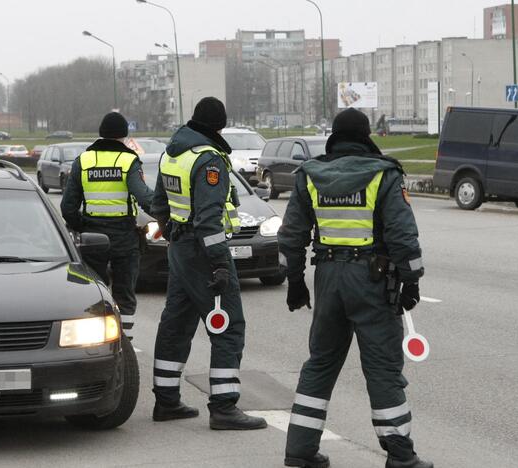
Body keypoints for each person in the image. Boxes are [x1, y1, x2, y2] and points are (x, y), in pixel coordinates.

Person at [279, 108, 431, 468]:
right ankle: (399, 454)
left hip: (328, 278)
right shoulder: (384, 175)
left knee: (320, 363)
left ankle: (299, 450)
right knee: (382, 367)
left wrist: (296, 281)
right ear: (365, 137)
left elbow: (292, 235)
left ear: (335, 137)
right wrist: (411, 279)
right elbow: (402, 234)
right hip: (373, 281)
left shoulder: (309, 175)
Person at [150, 97, 266, 431]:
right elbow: (208, 221)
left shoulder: (173, 154)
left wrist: (173, 233)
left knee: (176, 324)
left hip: (180, 250)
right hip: (204, 253)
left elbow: (160, 204)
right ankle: (224, 407)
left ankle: (167, 400)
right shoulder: (209, 160)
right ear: (219, 126)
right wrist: (218, 264)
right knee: (228, 327)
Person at [60, 112, 153, 339]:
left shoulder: (84, 161)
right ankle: (125, 342)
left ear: (101, 134)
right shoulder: (129, 161)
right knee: (125, 295)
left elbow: (67, 208)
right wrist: (167, 217)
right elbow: (144, 198)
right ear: (124, 137)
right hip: (124, 237)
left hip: (93, 239)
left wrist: (83, 226)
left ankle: (97, 340)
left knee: (94, 293)